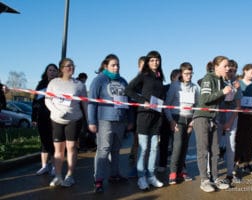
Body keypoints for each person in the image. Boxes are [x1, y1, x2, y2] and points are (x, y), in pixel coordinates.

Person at [88, 54, 134, 193]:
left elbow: (129, 102)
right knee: (103, 150)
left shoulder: (123, 81)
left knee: (115, 150)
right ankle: (98, 180)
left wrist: (130, 120)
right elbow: (92, 102)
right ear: (105, 66)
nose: (116, 67)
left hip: (120, 121)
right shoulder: (99, 80)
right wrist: (91, 121)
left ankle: (114, 174)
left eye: (118, 65)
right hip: (104, 120)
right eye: (113, 65)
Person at [125, 50, 166, 190]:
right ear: (148, 62)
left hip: (156, 117)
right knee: (144, 148)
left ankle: (151, 176)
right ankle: (141, 178)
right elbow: (128, 90)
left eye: (157, 60)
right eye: (152, 60)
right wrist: (143, 100)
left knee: (154, 148)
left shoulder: (160, 77)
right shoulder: (143, 75)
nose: (155, 62)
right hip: (144, 117)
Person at [45, 58, 87, 187]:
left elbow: (85, 104)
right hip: (57, 119)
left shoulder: (79, 84)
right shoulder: (54, 83)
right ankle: (58, 175)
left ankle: (69, 175)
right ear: (62, 68)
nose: (71, 68)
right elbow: (48, 100)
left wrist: (90, 120)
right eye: (68, 66)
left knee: (71, 147)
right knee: (58, 149)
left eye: (73, 66)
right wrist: (56, 111)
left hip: (74, 119)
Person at [193, 56, 232, 192]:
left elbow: (220, 100)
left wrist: (227, 92)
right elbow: (204, 99)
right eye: (225, 66)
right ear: (216, 67)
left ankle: (215, 178)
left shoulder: (222, 81)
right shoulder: (208, 79)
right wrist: (222, 92)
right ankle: (204, 180)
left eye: (228, 66)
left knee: (215, 150)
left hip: (215, 118)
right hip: (202, 117)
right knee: (203, 150)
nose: (228, 68)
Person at [164, 63, 200, 185]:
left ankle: (181, 172)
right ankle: (172, 172)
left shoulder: (195, 88)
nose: (189, 76)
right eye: (186, 74)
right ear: (181, 74)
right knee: (177, 146)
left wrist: (193, 121)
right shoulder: (175, 86)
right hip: (177, 118)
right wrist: (171, 120)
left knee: (185, 147)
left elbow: (198, 106)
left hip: (189, 119)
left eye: (191, 73)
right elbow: (167, 105)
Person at [216, 59, 242, 185]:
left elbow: (238, 105)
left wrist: (230, 121)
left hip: (231, 115)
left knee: (231, 144)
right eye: (230, 70)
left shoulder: (237, 84)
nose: (231, 73)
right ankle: (212, 174)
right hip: (217, 114)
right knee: (214, 144)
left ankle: (230, 173)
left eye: (234, 71)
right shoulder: (218, 80)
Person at [234, 64, 252, 177]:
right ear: (245, 71)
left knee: (250, 141)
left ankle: (247, 164)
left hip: (251, 116)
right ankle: (236, 164)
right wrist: (240, 109)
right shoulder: (238, 83)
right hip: (239, 115)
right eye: (251, 72)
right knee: (239, 140)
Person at [32, 63, 58, 176]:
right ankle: (44, 166)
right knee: (43, 142)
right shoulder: (41, 84)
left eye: (53, 70)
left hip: (54, 117)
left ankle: (54, 166)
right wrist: (34, 117)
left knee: (53, 141)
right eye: (50, 70)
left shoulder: (59, 84)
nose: (51, 72)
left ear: (57, 72)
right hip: (42, 116)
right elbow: (35, 101)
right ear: (46, 72)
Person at [157, 68, 181, 173]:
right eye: (179, 78)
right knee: (164, 143)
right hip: (165, 119)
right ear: (172, 78)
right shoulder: (164, 88)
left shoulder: (182, 89)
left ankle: (180, 166)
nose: (181, 80)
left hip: (177, 119)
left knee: (178, 144)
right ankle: (162, 164)